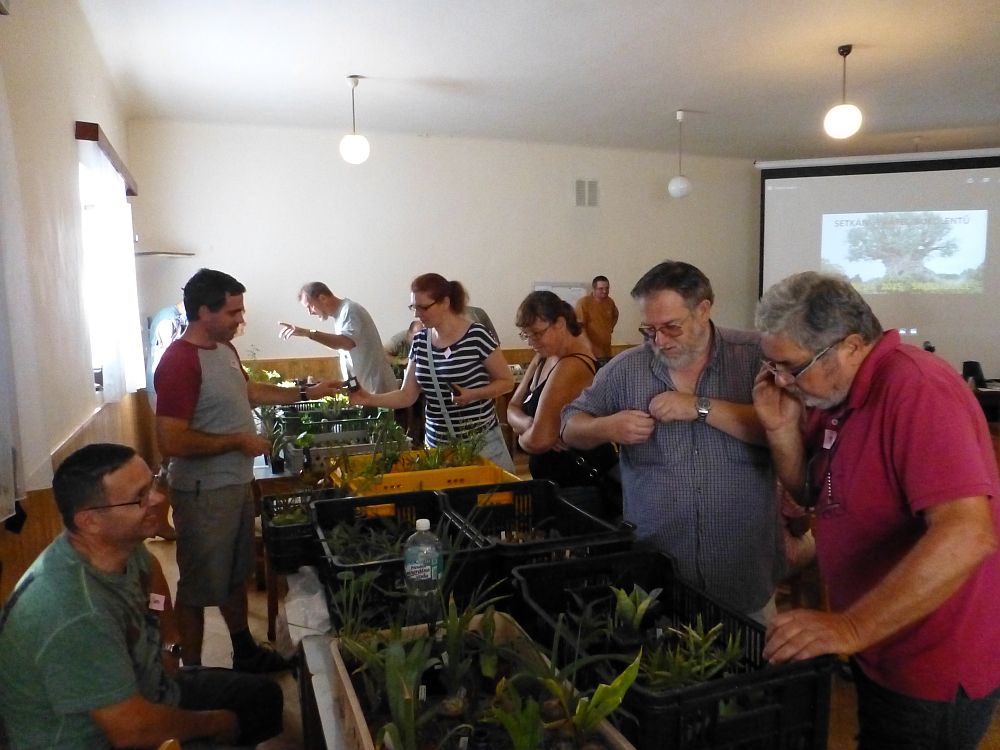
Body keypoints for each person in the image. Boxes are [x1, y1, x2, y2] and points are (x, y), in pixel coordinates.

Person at [753, 271, 1000, 749]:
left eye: (791, 367)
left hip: (930, 659)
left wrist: (850, 626)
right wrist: (781, 430)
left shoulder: (918, 390)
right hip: (879, 643)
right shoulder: (836, 393)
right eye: (773, 366)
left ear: (849, 346)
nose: (782, 380)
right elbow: (813, 491)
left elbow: (968, 533)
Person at [0, 443, 283, 749]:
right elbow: (133, 731)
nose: (159, 499)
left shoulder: (116, 544)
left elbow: (152, 573)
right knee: (227, 723)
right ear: (89, 520)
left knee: (262, 698)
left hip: (148, 689)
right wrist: (216, 722)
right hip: (104, 737)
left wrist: (170, 643)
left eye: (153, 484)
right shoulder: (73, 611)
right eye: (140, 497)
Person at [561, 261, 783, 621]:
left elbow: (785, 431)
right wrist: (606, 428)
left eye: (671, 328)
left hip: (743, 573)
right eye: (649, 329)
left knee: (750, 668)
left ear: (704, 309)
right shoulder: (627, 368)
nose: (659, 341)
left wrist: (700, 407)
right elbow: (569, 425)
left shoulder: (756, 357)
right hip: (656, 576)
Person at [155, 268, 341, 672]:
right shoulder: (179, 362)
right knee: (198, 587)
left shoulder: (223, 351)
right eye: (233, 312)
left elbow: (251, 392)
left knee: (235, 575)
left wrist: (307, 393)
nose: (241, 319)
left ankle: (244, 651)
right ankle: (194, 672)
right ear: (204, 311)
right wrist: (237, 442)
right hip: (203, 492)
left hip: (235, 484)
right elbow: (171, 441)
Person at [350, 273, 515, 472]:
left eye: (423, 307)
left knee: (491, 499)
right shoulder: (420, 341)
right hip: (438, 444)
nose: (417, 314)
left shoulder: (477, 335)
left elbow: (506, 381)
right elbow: (407, 395)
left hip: (481, 443)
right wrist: (368, 399)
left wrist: (475, 394)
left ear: (445, 302)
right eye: (414, 307)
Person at [506, 291, 617, 487]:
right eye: (526, 335)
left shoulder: (572, 365)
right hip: (552, 481)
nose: (532, 342)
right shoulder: (543, 355)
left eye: (538, 333)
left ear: (560, 323)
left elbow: (539, 441)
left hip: (578, 483)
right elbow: (511, 408)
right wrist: (531, 425)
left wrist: (523, 436)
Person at [278, 282, 398, 393]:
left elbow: (346, 343)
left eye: (310, 306)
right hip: (365, 389)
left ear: (322, 298)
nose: (310, 312)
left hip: (376, 388)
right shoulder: (340, 315)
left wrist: (309, 333)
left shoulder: (350, 310)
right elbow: (344, 346)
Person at [145, 300, 187, 541]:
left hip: (165, 395)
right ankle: (158, 519)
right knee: (171, 462)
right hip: (167, 396)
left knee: (170, 462)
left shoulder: (168, 315)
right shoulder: (171, 320)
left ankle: (158, 518)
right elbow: (168, 362)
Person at [574, 275, 619, 365]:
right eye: (601, 288)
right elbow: (579, 326)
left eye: (607, 288)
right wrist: (587, 344)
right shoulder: (583, 303)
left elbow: (615, 315)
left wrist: (610, 328)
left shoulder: (610, 302)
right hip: (590, 353)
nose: (605, 291)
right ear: (594, 289)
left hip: (606, 351)